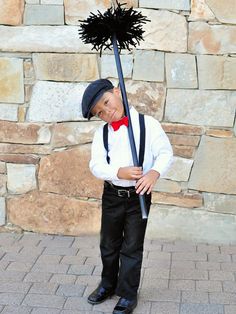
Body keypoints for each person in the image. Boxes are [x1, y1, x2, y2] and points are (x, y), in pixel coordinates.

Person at [81, 78, 173, 314]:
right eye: (100, 113)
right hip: (112, 195)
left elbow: (165, 152)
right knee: (108, 244)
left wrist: (153, 173)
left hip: (138, 196)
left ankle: (128, 293)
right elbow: (96, 165)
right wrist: (117, 172)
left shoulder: (147, 124)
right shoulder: (102, 134)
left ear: (117, 91)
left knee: (132, 246)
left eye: (107, 102)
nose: (107, 112)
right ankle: (107, 284)